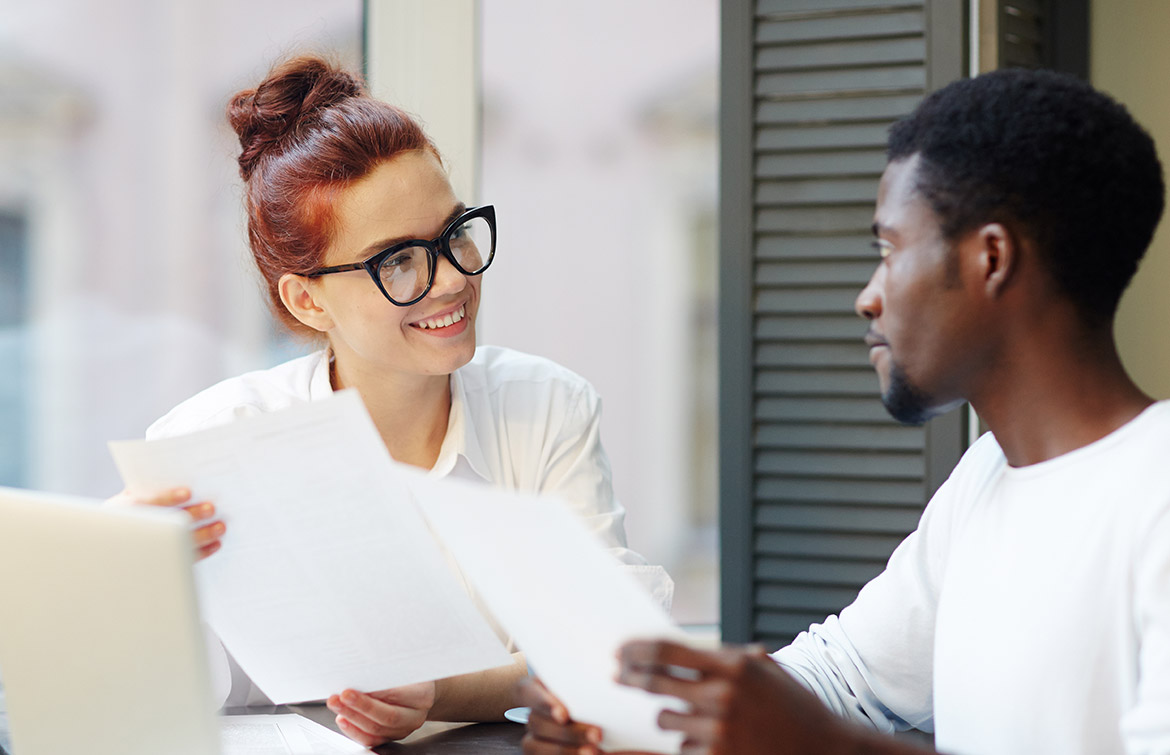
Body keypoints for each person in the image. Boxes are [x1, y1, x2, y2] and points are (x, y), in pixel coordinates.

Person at [519, 68, 1170, 754]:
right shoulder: (986, 476)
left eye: (889, 250)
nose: (867, 296)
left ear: (991, 258)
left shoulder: (1156, 494)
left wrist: (823, 746)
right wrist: (626, 715)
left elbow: (820, 730)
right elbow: (844, 680)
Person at [133, 55, 670, 747]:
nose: (450, 280)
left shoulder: (543, 410)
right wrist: (122, 573)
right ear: (307, 299)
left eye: (454, 233)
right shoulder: (209, 440)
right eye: (398, 260)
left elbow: (614, 646)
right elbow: (152, 692)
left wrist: (442, 691)